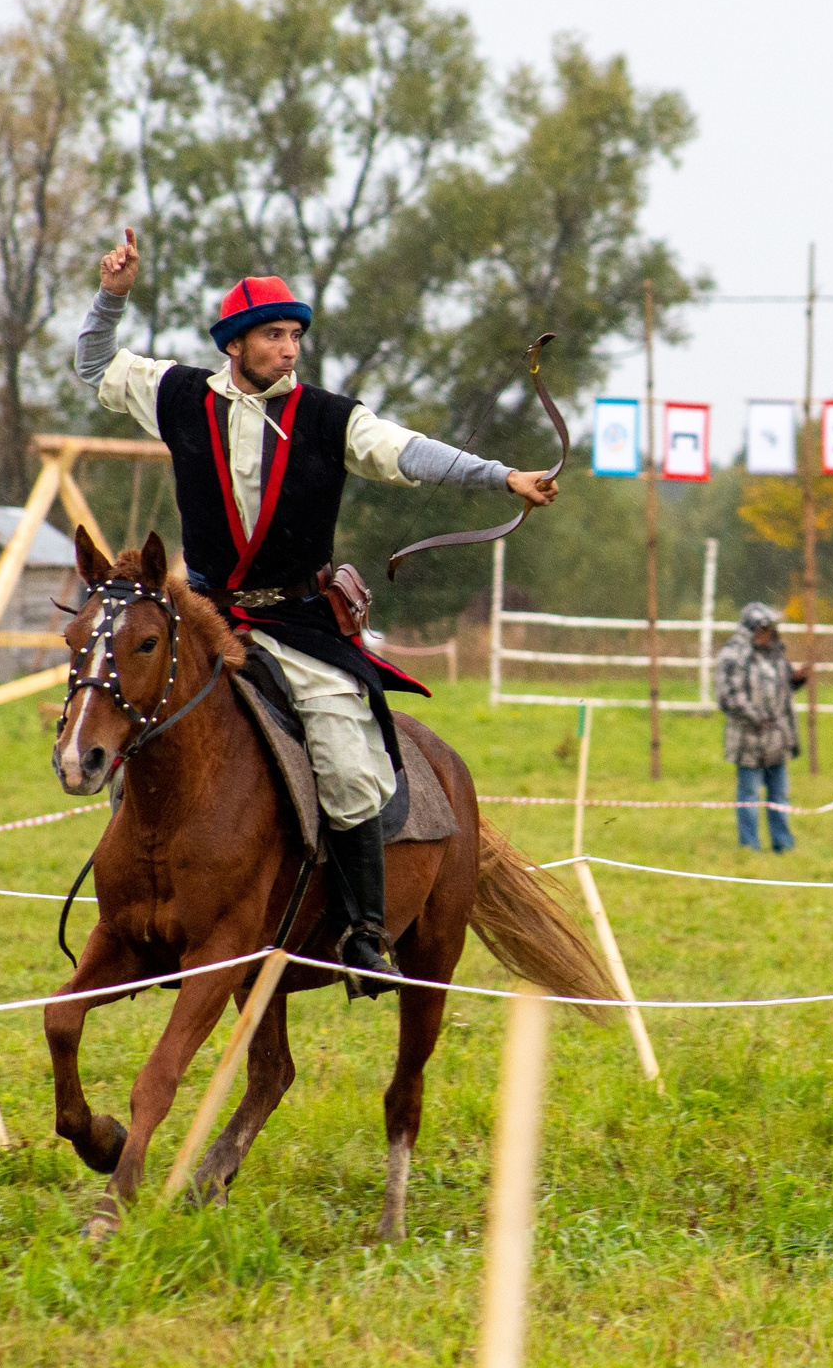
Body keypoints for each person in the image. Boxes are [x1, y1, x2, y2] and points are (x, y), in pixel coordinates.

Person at [74, 229, 559, 994]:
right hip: (205, 622)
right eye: (274, 336)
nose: (290, 349)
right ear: (236, 342)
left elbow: (409, 451)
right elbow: (95, 364)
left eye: (296, 335)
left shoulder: (330, 418)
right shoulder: (178, 395)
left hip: (299, 628)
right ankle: (145, 911)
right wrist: (113, 295)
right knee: (136, 733)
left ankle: (365, 935)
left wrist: (503, 477)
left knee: (345, 761)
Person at [713, 602, 809, 851]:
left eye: (771, 629)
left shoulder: (776, 655)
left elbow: (783, 688)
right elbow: (727, 697)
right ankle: (749, 845)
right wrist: (756, 717)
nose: (768, 634)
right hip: (748, 741)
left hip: (778, 740)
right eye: (764, 629)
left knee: (779, 796)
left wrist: (797, 679)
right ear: (751, 630)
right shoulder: (731, 656)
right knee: (749, 795)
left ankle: (783, 842)